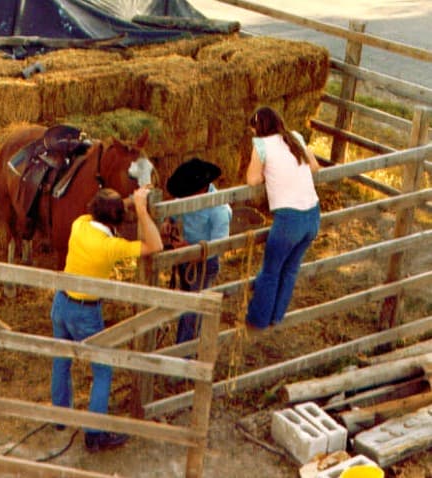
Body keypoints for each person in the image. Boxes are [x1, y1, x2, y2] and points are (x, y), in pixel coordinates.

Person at [50, 186, 163, 452]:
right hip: (85, 312)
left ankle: (59, 417)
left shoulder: (80, 225)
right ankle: (94, 433)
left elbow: (99, 212)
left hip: (61, 302)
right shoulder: (111, 247)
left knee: (61, 359)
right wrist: (142, 209)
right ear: (116, 220)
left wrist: (128, 201)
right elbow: (155, 245)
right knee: (102, 370)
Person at [245, 106, 321, 329]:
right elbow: (315, 166)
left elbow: (252, 179)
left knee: (270, 271)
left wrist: (267, 172)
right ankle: (276, 318)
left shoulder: (261, 145)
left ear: (258, 129)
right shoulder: (295, 137)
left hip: (289, 219)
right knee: (290, 270)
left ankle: (258, 321)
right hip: (312, 215)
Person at [164, 158, 232, 344]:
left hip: (204, 261)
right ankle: (184, 348)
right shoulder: (187, 197)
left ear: (202, 189)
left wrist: (190, 249)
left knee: (193, 311)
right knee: (187, 303)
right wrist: (168, 221)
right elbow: (175, 210)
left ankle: (185, 354)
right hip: (187, 257)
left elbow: (219, 246)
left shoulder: (219, 210)